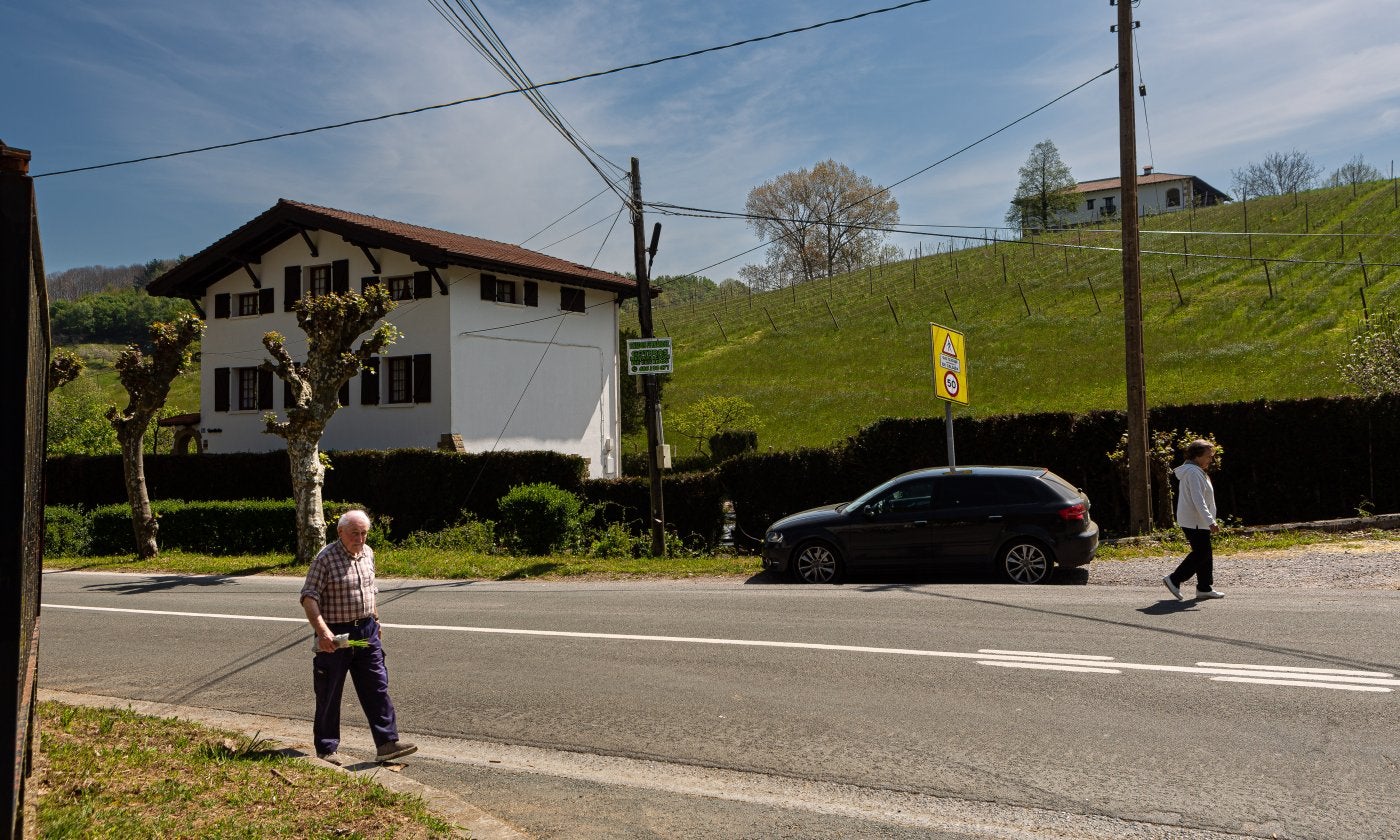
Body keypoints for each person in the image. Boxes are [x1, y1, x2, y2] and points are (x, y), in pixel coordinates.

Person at [300, 509, 416, 764]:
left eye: (364, 533)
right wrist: (323, 633)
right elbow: (309, 597)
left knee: (376, 686)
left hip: (365, 633)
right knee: (329, 691)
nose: (360, 539)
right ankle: (327, 749)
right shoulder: (325, 559)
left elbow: (370, 590)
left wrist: (375, 618)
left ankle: (387, 743)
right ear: (340, 532)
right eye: (355, 533)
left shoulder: (368, 553)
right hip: (336, 633)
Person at [1162, 439, 1224, 601]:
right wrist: (1210, 520)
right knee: (1201, 553)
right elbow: (1198, 499)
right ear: (1197, 456)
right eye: (1208, 456)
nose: (1211, 459)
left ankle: (1204, 587)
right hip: (1196, 521)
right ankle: (1174, 579)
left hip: (1196, 520)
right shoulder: (1193, 472)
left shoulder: (1195, 471)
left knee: (1205, 553)